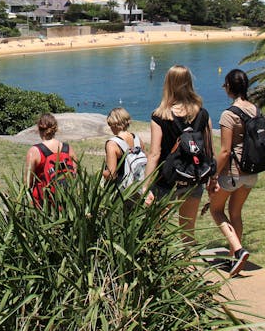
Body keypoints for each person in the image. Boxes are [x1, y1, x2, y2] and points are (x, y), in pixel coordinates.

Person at [144, 65, 213, 240]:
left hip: (166, 181)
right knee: (188, 232)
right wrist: (214, 177)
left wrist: (145, 186)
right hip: (193, 178)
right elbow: (208, 149)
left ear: (168, 84)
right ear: (189, 83)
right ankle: (189, 265)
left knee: (156, 231)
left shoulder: (160, 116)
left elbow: (154, 154)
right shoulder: (203, 114)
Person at [208, 69, 254, 277]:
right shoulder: (255, 109)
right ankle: (235, 259)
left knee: (216, 210)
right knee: (236, 213)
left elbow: (225, 151)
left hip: (232, 173)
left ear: (229, 87)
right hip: (251, 172)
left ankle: (238, 249)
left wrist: (213, 175)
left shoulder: (229, 114)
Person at [24, 113, 77, 206]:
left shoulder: (35, 151)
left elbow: (28, 183)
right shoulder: (68, 148)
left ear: (39, 129)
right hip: (65, 201)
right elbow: (75, 174)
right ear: (55, 129)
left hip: (43, 201)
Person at [102, 107, 143, 186]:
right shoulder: (137, 139)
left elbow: (111, 174)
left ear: (114, 124)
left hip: (121, 188)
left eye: (110, 125)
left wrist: (100, 173)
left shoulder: (112, 144)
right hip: (137, 186)